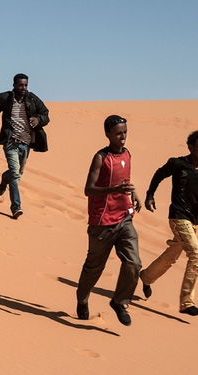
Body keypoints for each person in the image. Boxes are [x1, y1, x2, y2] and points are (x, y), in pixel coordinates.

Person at [139, 130, 198, 316]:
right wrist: (150, 195)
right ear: (190, 147)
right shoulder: (178, 164)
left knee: (172, 255)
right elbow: (159, 175)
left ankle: (146, 277)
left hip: (194, 221)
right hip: (178, 217)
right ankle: (187, 302)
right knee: (197, 256)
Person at [74, 115, 142, 326]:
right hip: (101, 222)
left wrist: (134, 193)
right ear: (108, 134)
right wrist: (113, 190)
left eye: (125, 132)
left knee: (134, 263)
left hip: (124, 218)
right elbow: (88, 189)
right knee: (94, 268)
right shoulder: (101, 157)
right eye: (118, 133)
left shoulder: (127, 154)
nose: (123, 136)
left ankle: (119, 301)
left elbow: (125, 180)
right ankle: (82, 298)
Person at [0, 74, 50, 219]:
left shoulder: (32, 99)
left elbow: (46, 114)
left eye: (25, 85)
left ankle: (4, 178)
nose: (23, 88)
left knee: (18, 173)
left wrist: (38, 119)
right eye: (20, 85)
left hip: (26, 143)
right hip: (10, 141)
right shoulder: (6, 98)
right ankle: (16, 207)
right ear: (14, 85)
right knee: (15, 173)